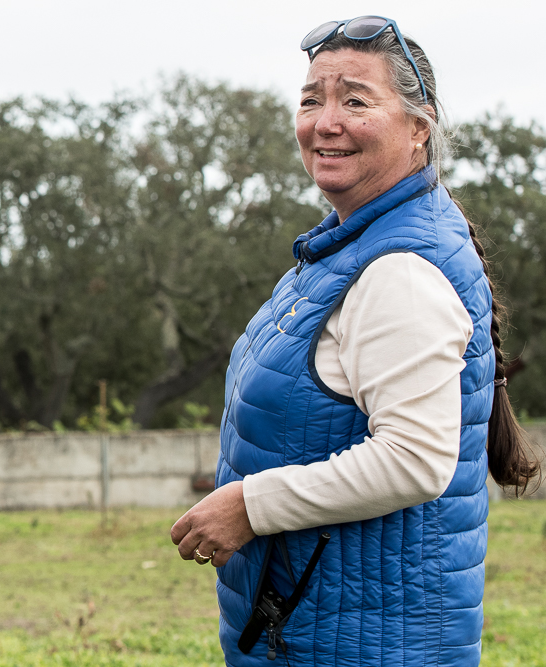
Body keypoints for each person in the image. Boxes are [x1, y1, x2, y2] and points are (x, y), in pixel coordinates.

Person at [170, 16, 541, 667]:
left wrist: (249, 504)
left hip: (363, 643)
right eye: (311, 98)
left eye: (355, 100)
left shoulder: (399, 268)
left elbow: (413, 460)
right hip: (316, 627)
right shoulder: (346, 247)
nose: (324, 120)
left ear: (418, 128)